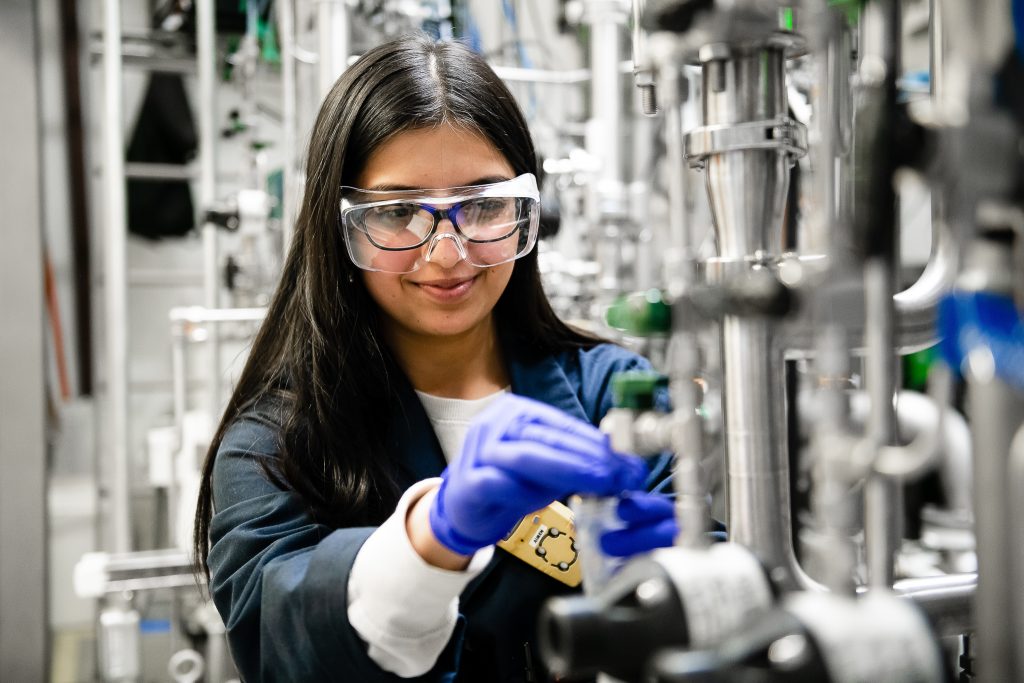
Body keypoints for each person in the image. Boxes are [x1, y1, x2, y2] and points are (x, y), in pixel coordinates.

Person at [193, 34, 678, 682]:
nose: (447, 253)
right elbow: (276, 647)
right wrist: (429, 537)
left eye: (483, 205)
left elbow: (720, 619)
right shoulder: (276, 446)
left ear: (527, 210)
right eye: (398, 212)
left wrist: (674, 584)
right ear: (340, 227)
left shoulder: (615, 394)